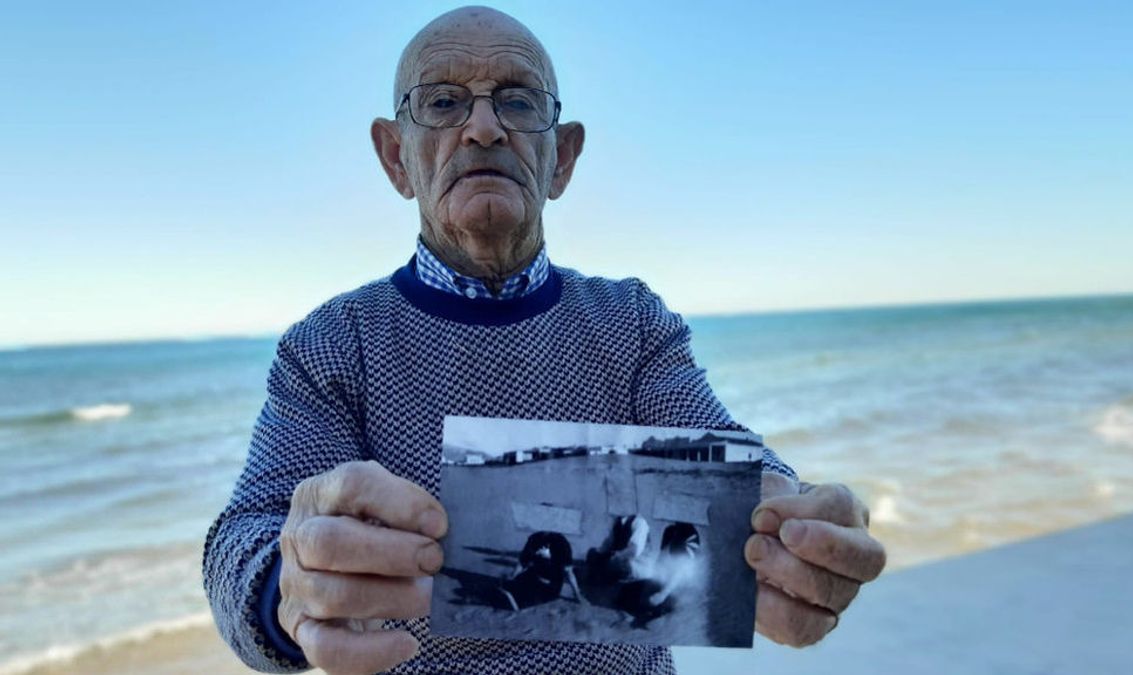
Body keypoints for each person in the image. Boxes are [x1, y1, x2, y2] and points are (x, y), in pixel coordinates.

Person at [203, 6, 886, 674]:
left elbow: (719, 450)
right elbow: (244, 536)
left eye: (519, 102)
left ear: (562, 158)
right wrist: (284, 587)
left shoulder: (632, 320)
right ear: (395, 157)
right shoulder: (333, 345)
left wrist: (791, 520)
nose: (482, 128)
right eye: (442, 102)